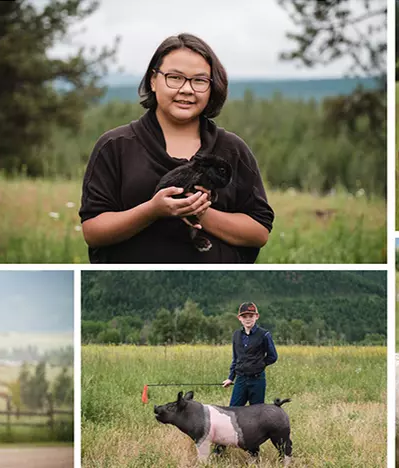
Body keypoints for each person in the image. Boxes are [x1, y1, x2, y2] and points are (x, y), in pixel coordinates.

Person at [79, 33, 274, 263]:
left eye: (199, 80)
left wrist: (199, 211)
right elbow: (93, 231)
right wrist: (151, 211)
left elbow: (259, 231)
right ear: (153, 80)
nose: (187, 89)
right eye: (175, 78)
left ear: (212, 87)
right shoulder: (115, 146)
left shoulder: (232, 150)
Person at [222, 302, 277, 406]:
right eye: (244, 316)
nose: (248, 319)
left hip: (257, 380)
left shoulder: (264, 334)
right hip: (240, 380)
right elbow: (236, 358)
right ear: (239, 318)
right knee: (234, 411)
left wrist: (259, 364)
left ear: (256, 316)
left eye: (251, 316)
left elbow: (273, 356)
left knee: (256, 413)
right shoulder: (236, 335)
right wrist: (230, 378)